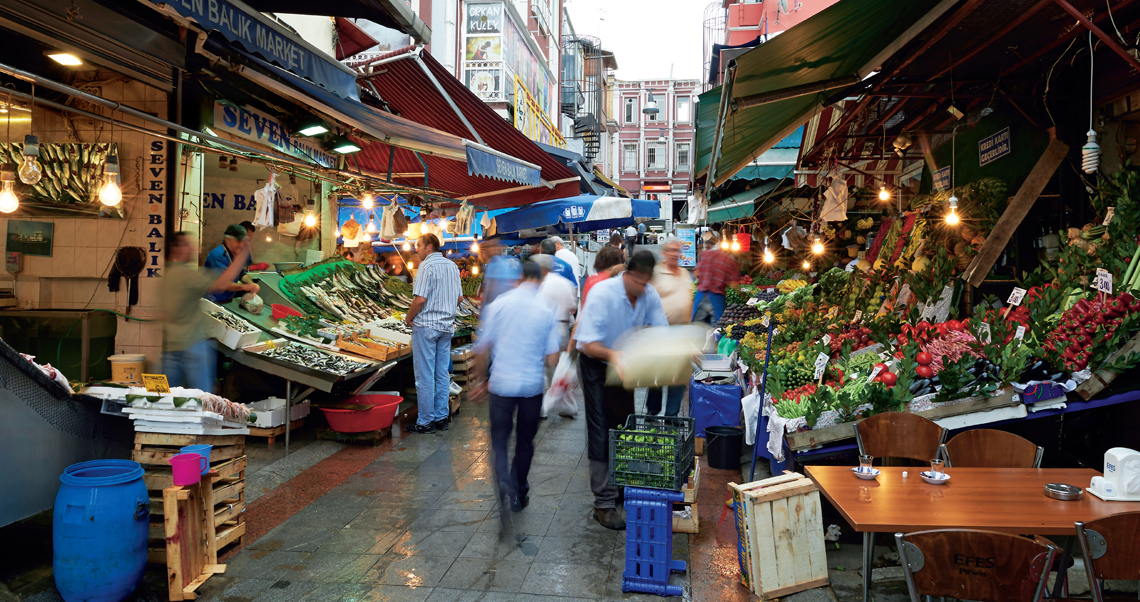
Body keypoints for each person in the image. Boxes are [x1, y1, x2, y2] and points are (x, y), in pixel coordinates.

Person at [575, 250, 668, 529]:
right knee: (601, 428)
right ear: (628, 273)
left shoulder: (649, 294)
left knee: (625, 426)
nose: (642, 288)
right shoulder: (603, 294)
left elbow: (660, 331)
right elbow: (585, 343)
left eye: (646, 282)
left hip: (623, 365)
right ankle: (603, 503)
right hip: (595, 365)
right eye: (638, 282)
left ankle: (621, 486)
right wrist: (614, 356)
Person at [470, 261, 561, 516]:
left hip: (500, 386)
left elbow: (480, 350)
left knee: (499, 439)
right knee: (525, 443)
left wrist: (480, 381)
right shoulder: (546, 309)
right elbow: (552, 358)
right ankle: (519, 492)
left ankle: (502, 479)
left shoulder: (498, 304)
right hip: (531, 387)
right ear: (539, 280)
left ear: (520, 278)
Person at [160, 232, 252, 391]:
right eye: (186, 245)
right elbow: (223, 282)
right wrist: (243, 255)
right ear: (175, 249)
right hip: (192, 347)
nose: (191, 249)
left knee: (166, 398)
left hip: (169, 348)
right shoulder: (186, 274)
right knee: (204, 400)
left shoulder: (164, 275)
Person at [404, 233, 462, 434]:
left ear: (429, 247)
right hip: (446, 328)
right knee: (442, 374)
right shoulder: (452, 266)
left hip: (426, 327)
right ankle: (441, 419)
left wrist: (408, 318)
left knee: (424, 375)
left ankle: (426, 422)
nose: (416, 249)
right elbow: (460, 298)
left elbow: (420, 300)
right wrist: (445, 310)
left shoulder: (426, 267)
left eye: (418, 246)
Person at [646, 238, 694, 417]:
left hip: (682, 333)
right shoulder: (656, 272)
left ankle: (671, 415)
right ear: (664, 253)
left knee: (679, 374)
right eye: (671, 250)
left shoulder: (685, 273)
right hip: (659, 333)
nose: (674, 254)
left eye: (677, 250)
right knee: (658, 374)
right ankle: (652, 411)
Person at [204, 224, 260, 303]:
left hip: (227, 300)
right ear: (227, 239)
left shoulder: (234, 254)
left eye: (243, 242)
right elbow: (221, 284)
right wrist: (245, 287)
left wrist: (251, 284)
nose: (241, 245)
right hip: (213, 301)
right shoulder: (217, 255)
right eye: (238, 241)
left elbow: (241, 273)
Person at [691, 235, 740, 325]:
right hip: (717, 298)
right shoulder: (731, 261)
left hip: (701, 295)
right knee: (716, 330)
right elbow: (734, 284)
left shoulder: (706, 254)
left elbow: (696, 273)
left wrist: (705, 279)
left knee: (695, 328)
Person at [480, 235, 521, 308]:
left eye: (493, 246)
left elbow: (491, 291)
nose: (490, 249)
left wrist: (485, 308)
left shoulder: (496, 265)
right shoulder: (495, 263)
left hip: (499, 307)